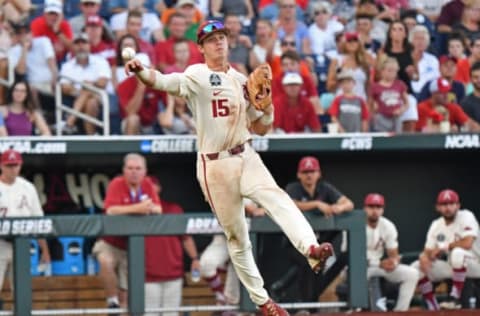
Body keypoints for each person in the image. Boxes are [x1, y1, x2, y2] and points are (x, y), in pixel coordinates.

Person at [124, 20, 334, 316]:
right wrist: (140, 71)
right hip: (214, 164)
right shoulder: (196, 75)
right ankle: (263, 301)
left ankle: (311, 249)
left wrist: (267, 107)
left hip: (245, 154)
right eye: (211, 39)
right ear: (201, 48)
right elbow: (161, 81)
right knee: (237, 237)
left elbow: (261, 128)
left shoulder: (240, 79)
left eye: (221, 37)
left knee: (277, 197)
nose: (218, 43)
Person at [92, 153, 162, 311]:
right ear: (124, 170)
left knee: (126, 297)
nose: (134, 172)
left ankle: (119, 304)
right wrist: (139, 208)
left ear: (145, 171)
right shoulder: (117, 183)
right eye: (130, 168)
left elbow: (158, 209)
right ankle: (112, 301)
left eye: (138, 168)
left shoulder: (148, 184)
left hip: (132, 247)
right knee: (105, 261)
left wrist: (136, 209)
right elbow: (110, 210)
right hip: (110, 241)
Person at [282, 156, 353, 304]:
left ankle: (309, 305)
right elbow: (290, 204)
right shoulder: (293, 188)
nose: (309, 175)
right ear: (299, 174)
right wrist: (317, 204)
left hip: (317, 241)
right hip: (295, 243)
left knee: (318, 267)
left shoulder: (325, 188)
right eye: (305, 171)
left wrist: (339, 207)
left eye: (312, 171)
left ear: (318, 173)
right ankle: (303, 303)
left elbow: (349, 204)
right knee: (308, 262)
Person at [411, 189, 480, 310]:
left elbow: (468, 243)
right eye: (444, 204)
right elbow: (428, 250)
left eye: (451, 204)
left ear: (458, 205)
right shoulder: (436, 224)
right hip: (455, 267)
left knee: (457, 253)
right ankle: (433, 305)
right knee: (416, 267)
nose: (448, 207)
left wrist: (443, 247)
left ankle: (455, 298)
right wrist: (423, 257)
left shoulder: (466, 216)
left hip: (475, 264)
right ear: (438, 207)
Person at [144, 176, 200, 316]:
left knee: (171, 314)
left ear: (159, 188)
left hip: (173, 274)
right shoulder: (136, 212)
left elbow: (186, 238)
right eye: (147, 186)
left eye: (153, 185)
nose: (151, 188)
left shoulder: (174, 209)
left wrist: (195, 258)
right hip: (147, 276)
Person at [0, 148, 51, 299]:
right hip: (1, 243)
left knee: (21, 291)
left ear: (20, 165)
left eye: (15, 165)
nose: (13, 169)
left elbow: (38, 220)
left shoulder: (28, 188)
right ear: (1, 166)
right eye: (9, 165)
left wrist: (45, 250)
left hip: (22, 244)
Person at [363, 193, 419, 311]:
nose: (374, 210)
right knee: (365, 275)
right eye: (371, 207)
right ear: (365, 208)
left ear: (383, 210)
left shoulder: (388, 226)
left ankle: (400, 311)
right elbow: (350, 256)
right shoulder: (357, 224)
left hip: (378, 266)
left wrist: (393, 262)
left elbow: (393, 253)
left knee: (412, 273)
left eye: (378, 207)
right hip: (358, 269)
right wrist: (379, 263)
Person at [59, 32, 111, 135]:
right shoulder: (67, 65)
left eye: (84, 43)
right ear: (73, 46)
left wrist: (87, 86)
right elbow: (64, 87)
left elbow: (103, 82)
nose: (81, 46)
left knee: (88, 89)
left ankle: (70, 122)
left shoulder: (100, 61)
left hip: (100, 96)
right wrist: (83, 90)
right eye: (77, 43)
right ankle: (92, 135)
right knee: (90, 101)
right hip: (76, 97)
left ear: (89, 45)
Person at [370, 56, 409, 133]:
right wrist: (374, 112)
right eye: (389, 71)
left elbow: (406, 103)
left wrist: (401, 110)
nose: (392, 73)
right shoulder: (375, 87)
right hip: (381, 117)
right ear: (382, 71)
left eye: (394, 71)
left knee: (397, 138)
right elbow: (370, 103)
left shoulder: (400, 85)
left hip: (396, 117)